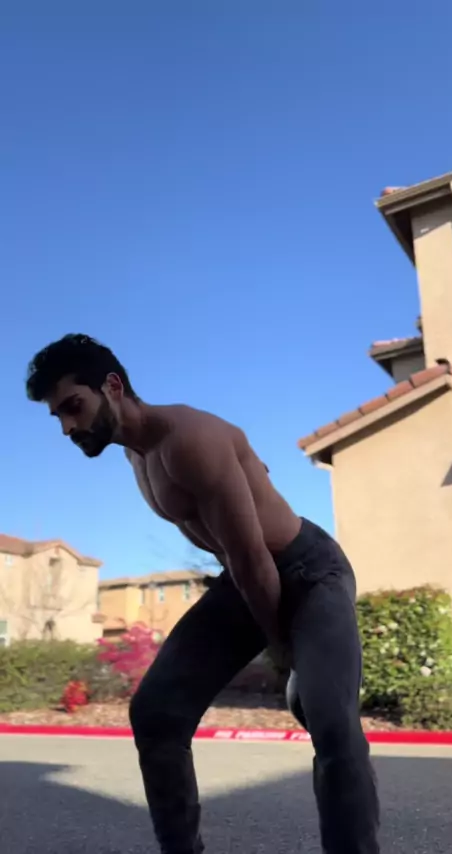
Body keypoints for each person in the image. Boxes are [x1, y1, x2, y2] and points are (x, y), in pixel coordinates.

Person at [26, 333, 380, 854]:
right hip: (243, 576)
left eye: (73, 407)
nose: (67, 427)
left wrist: (282, 650)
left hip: (309, 571)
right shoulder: (137, 456)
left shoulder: (187, 439)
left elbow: (253, 556)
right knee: (156, 712)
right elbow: (243, 529)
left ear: (113, 386)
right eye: (58, 416)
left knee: (331, 722)